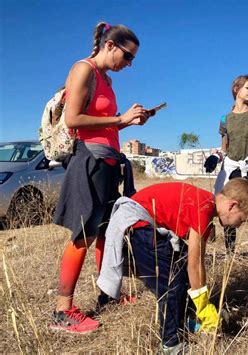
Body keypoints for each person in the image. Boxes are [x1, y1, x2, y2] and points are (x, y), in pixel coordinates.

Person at [50, 22, 153, 333]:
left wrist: (129, 122)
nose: (129, 64)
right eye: (128, 56)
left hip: (108, 161)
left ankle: (107, 293)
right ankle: (62, 310)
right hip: (89, 160)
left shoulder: (107, 80)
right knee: (84, 233)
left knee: (107, 232)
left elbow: (106, 125)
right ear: (110, 45)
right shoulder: (84, 69)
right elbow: (73, 119)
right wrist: (120, 117)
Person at [96, 178, 248, 352]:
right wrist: (204, 305)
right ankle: (170, 344)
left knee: (180, 262)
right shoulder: (203, 208)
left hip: (140, 223)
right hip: (136, 224)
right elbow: (196, 265)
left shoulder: (205, 204)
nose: (238, 225)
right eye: (241, 220)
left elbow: (194, 260)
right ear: (232, 206)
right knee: (171, 283)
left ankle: (186, 320)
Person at [205, 74, 248, 269]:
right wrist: (215, 157)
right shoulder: (225, 120)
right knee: (228, 214)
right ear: (237, 89)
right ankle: (230, 254)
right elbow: (225, 149)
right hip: (231, 172)